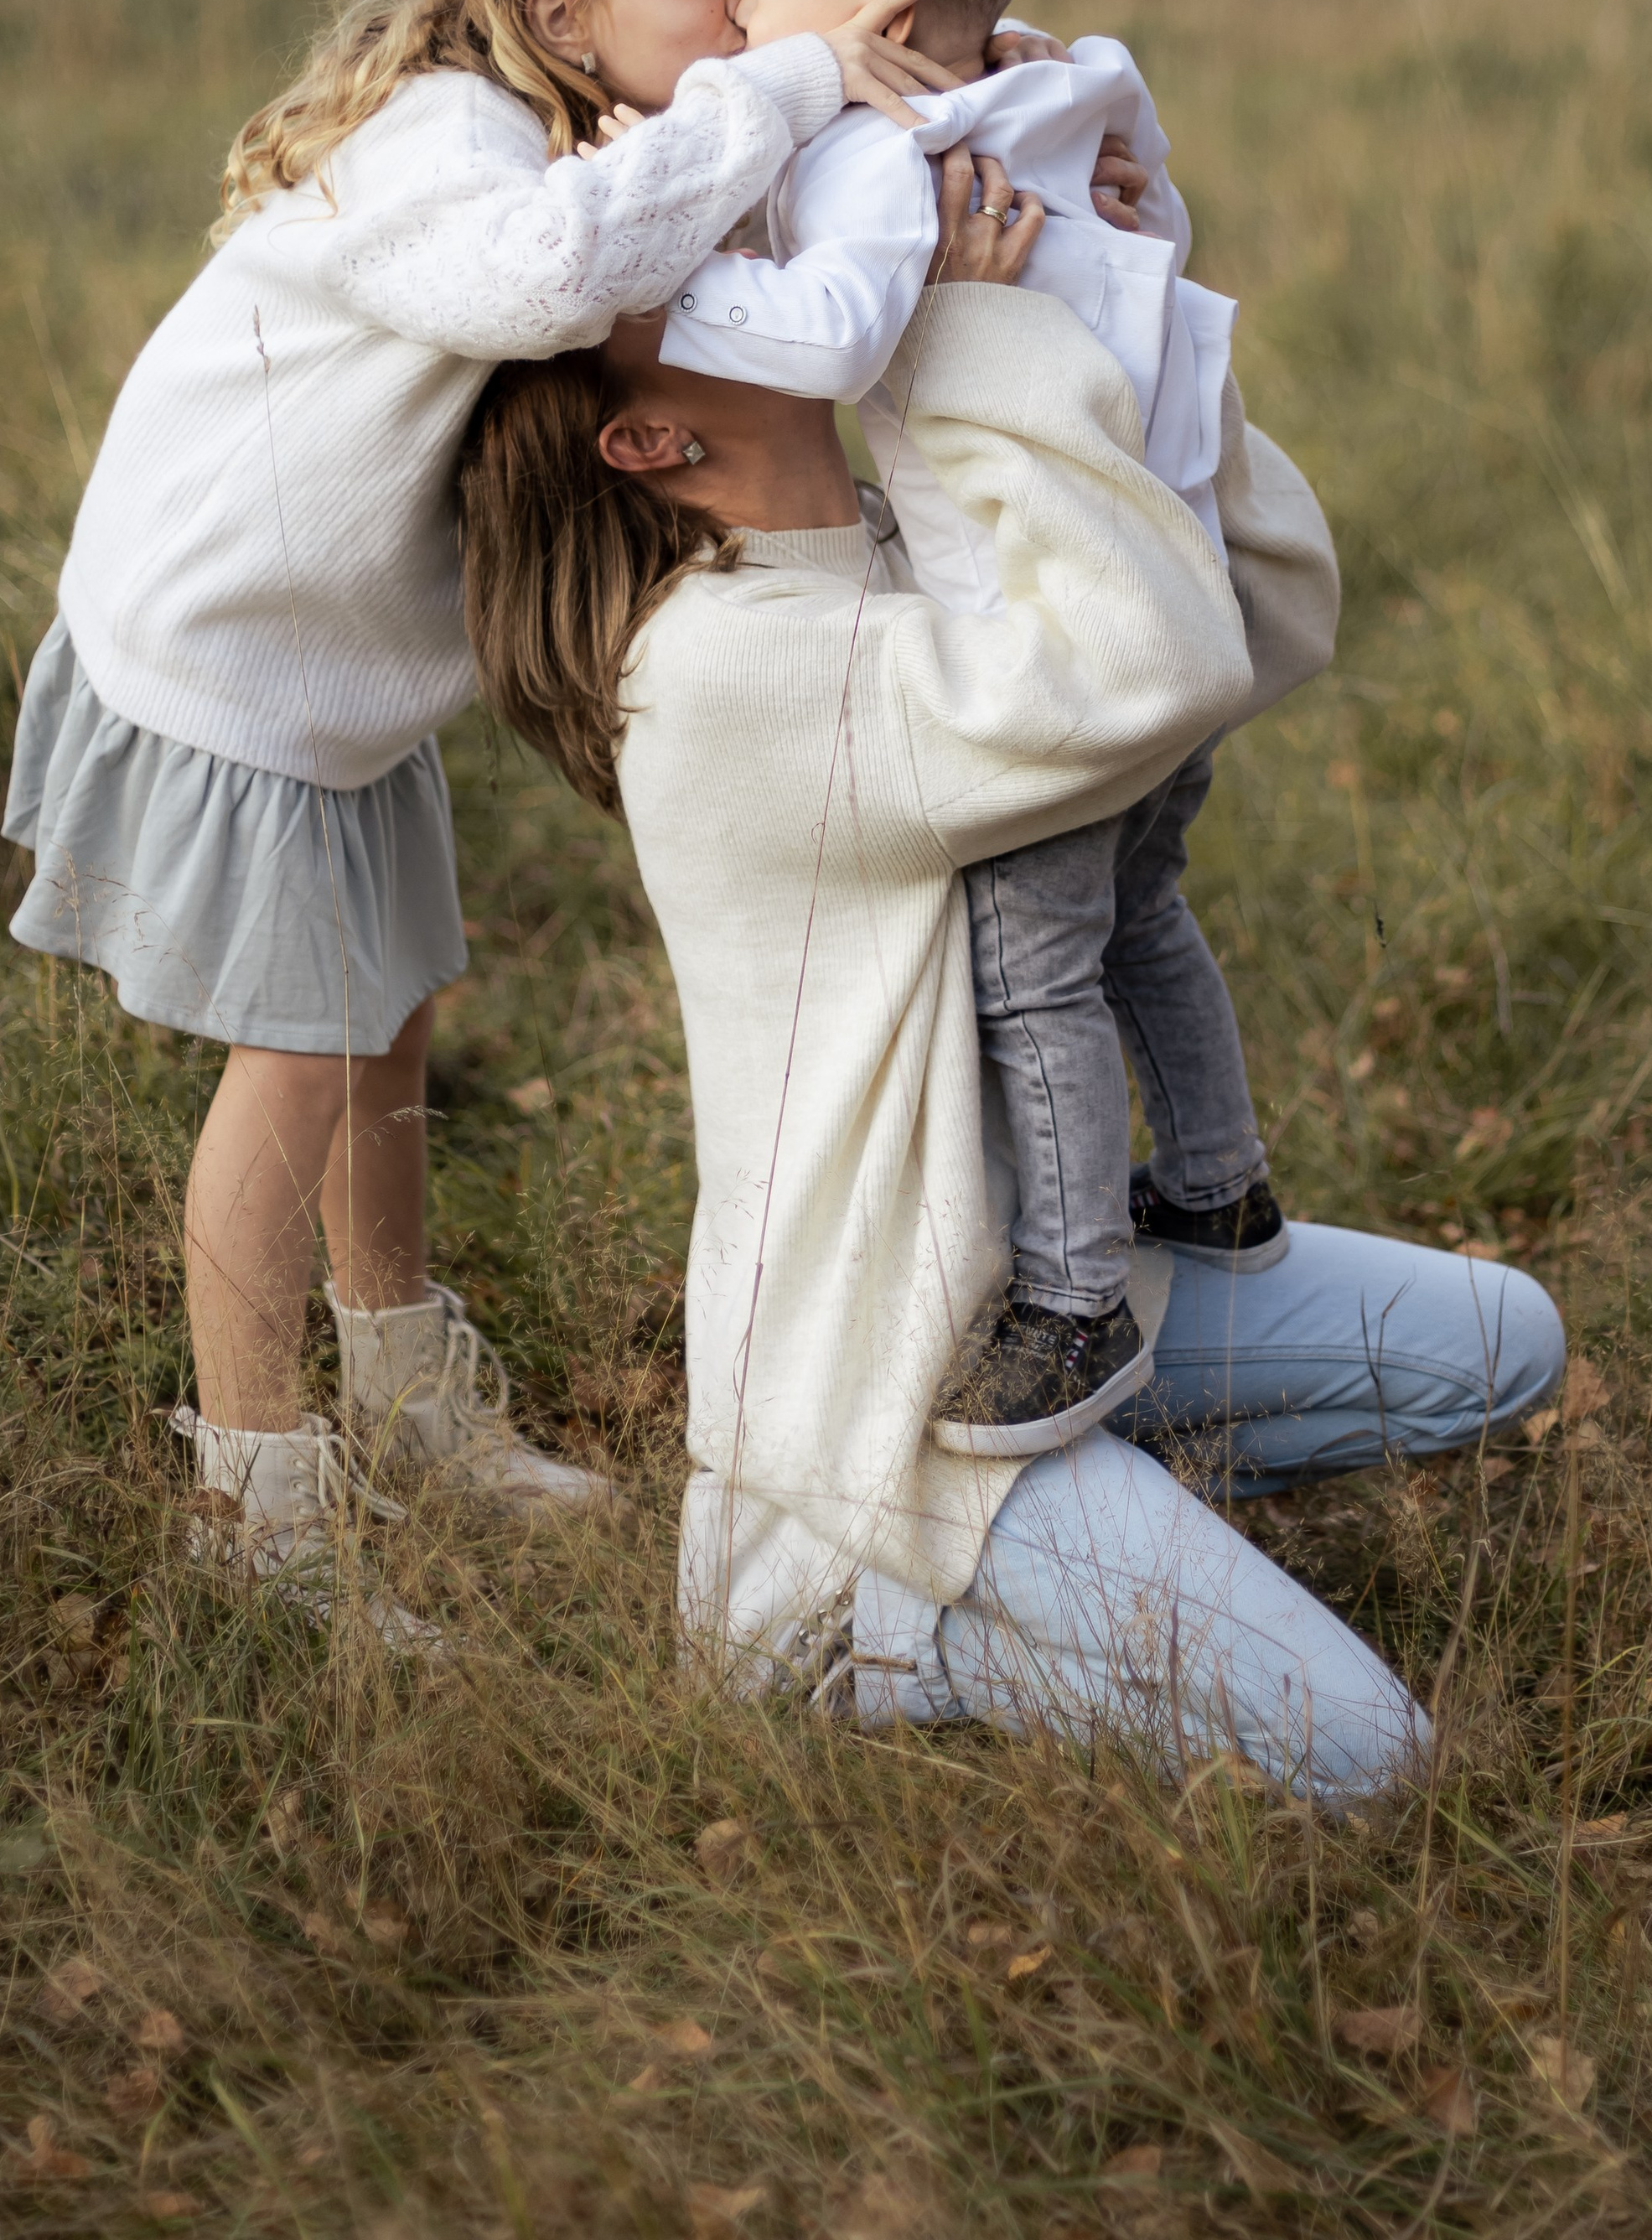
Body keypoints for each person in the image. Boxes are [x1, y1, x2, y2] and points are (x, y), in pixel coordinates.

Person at [456, 149, 1567, 1792]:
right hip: (889, 1401)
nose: (773, 268)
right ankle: (839, 1635)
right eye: (704, 298)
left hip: (1046, 1297)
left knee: (1501, 1344)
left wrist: (1112, 286)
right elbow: (1148, 657)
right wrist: (968, 338)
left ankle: (1102, 1506)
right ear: (652, 440)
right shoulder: (720, 671)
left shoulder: (896, 552)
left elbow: (1258, 616)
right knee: (1373, 1761)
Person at [3, 0, 950, 1631]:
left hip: (334, 684)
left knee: (394, 1018)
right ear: (557, 16)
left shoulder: (603, 133)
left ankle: (408, 1386)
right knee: (293, 1066)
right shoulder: (447, 140)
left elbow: (758, 279)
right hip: (231, 670)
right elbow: (552, 276)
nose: (749, 21)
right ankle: (258, 1507)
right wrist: (790, 87)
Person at [583, 0, 1287, 1458]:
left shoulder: (876, 155)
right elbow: (1138, 189)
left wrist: (661, 269)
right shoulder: (1065, 83)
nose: (746, 17)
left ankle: (1071, 1300)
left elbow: (827, 336)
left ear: (885, 21)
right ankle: (1218, 1186)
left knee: (1030, 961)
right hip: (1169, 576)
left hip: (1061, 622)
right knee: (1144, 911)